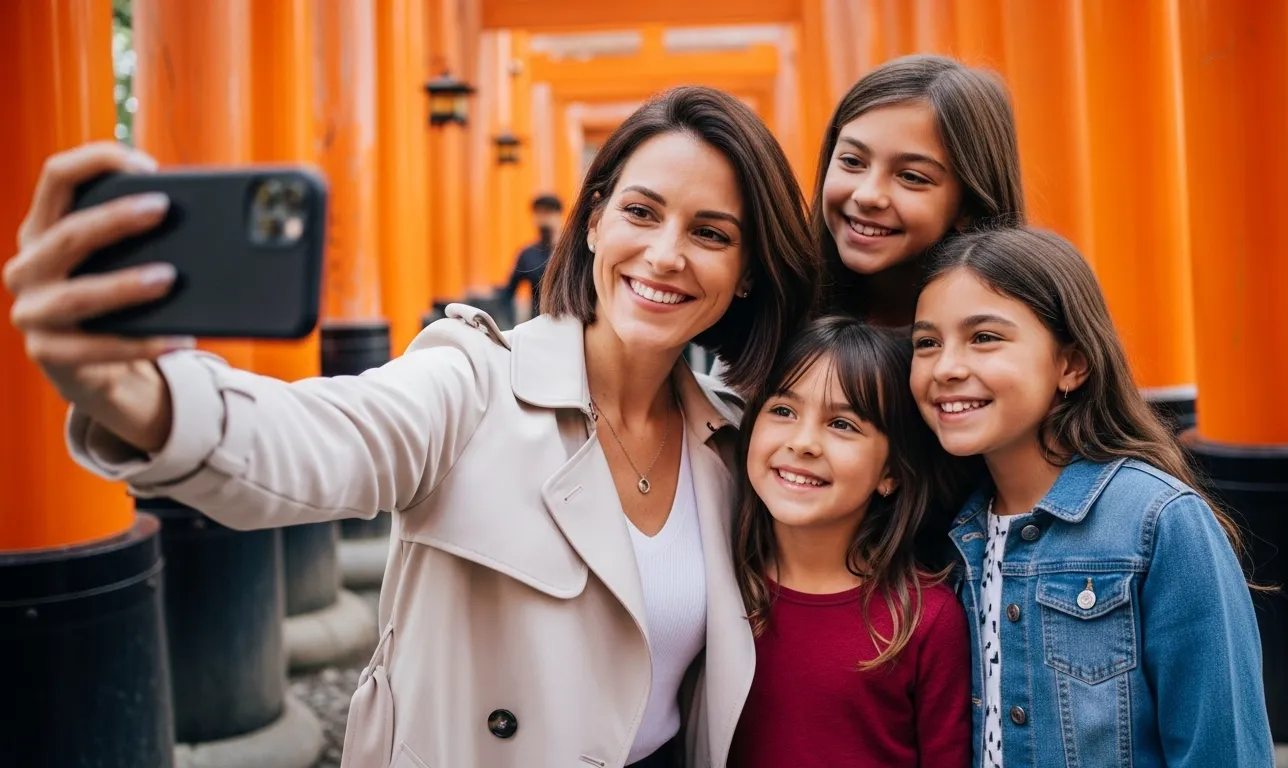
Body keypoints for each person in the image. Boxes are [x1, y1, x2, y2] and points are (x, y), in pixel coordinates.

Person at [5, 86, 820, 768]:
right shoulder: (472, 380)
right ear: (597, 221)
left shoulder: (734, 445)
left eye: (710, 233)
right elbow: (321, 437)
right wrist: (147, 398)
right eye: (642, 212)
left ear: (746, 272)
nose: (667, 254)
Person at [907, 227, 1274, 767]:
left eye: (984, 337)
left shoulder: (1159, 524)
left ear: (1071, 365)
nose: (946, 367)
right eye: (927, 343)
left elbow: (1224, 751)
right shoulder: (948, 535)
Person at [727, 316, 971, 767]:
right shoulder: (719, 587)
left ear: (891, 472)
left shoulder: (925, 619)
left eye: (842, 424)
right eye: (783, 410)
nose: (803, 443)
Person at [812, 54, 1025, 327]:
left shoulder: (1011, 346)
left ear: (968, 205)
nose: (867, 195)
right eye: (852, 161)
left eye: (911, 177)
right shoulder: (779, 316)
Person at [502, 193, 564, 319]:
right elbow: (508, 292)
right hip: (538, 322)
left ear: (559, 215)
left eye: (548, 213)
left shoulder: (571, 251)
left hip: (572, 322)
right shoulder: (528, 254)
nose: (543, 219)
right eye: (539, 213)